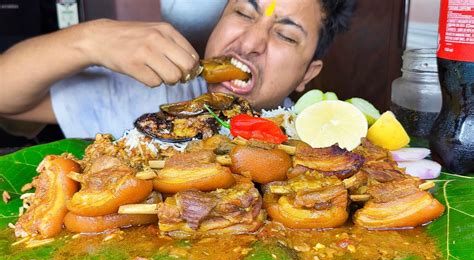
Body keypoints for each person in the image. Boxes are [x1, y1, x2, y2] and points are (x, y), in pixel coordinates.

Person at [0, 0, 356, 138]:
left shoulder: (315, 140)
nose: (250, 43)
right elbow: (7, 101)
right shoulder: (147, 91)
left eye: (285, 35)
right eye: (243, 14)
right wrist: (88, 40)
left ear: (308, 75)